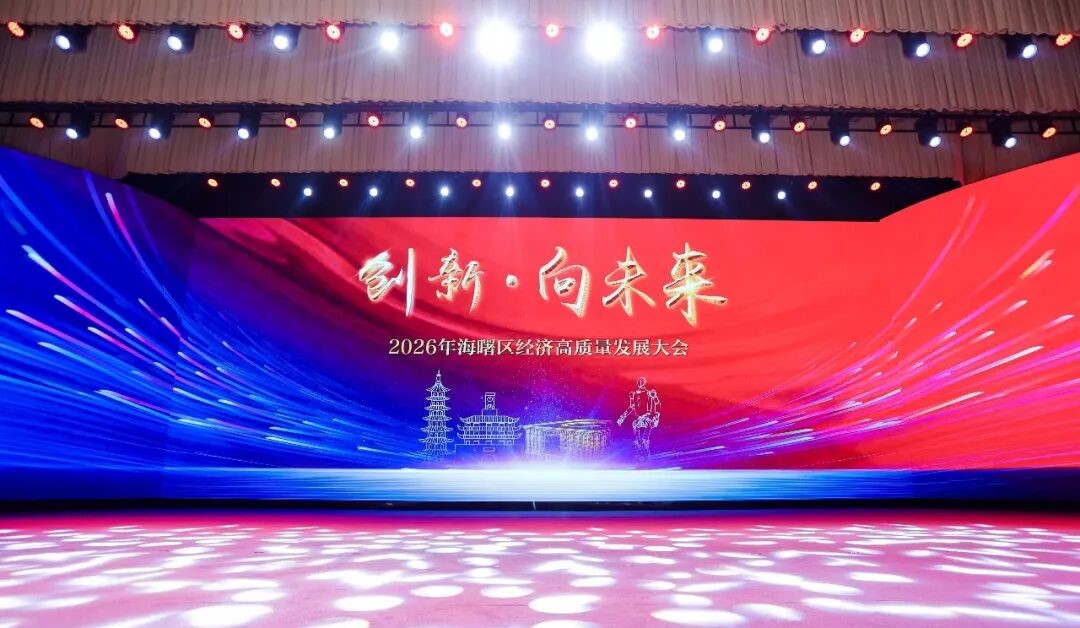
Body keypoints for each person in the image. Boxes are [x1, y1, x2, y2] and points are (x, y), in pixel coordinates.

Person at [617, 376, 661, 463]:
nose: (641, 383)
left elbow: (657, 403)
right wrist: (622, 417)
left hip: (647, 419)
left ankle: (645, 456)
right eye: (639, 382)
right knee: (637, 441)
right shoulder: (633, 394)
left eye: (642, 381)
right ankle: (639, 457)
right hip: (639, 420)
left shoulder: (650, 393)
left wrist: (656, 416)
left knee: (644, 440)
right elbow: (631, 407)